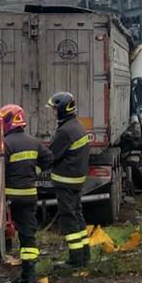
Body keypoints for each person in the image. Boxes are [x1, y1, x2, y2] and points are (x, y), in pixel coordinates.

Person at [0, 104, 50, 283]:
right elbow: (48, 159)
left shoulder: (5, 144)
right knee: (28, 237)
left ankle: (4, 268)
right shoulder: (34, 142)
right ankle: (29, 277)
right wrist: (34, 172)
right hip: (29, 195)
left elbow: (0, 171)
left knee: (7, 231)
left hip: (10, 197)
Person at [48, 91, 92, 267]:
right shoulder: (76, 126)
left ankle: (75, 259)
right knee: (77, 215)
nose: (53, 112)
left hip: (65, 181)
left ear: (62, 110)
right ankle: (84, 255)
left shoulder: (65, 131)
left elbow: (52, 155)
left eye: (54, 109)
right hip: (76, 180)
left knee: (69, 218)